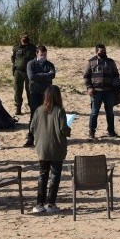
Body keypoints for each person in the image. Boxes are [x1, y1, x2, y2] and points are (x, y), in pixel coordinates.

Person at [30, 85, 71, 213]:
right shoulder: (59, 111)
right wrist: (68, 130)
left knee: (43, 175)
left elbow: (32, 128)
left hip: (42, 148)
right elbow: (63, 129)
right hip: (56, 147)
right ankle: (51, 204)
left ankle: (39, 204)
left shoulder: (39, 110)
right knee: (55, 175)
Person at [83, 43, 120, 139]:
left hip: (109, 91)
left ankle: (111, 131)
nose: (103, 52)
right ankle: (91, 131)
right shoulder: (90, 62)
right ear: (96, 52)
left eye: (104, 50)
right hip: (95, 91)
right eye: (100, 51)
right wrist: (89, 88)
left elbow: (116, 75)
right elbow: (86, 76)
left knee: (110, 112)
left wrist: (115, 88)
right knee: (94, 112)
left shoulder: (111, 62)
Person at [24, 46, 56, 147]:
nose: (43, 57)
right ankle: (31, 138)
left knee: (47, 115)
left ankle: (46, 138)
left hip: (47, 93)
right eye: (41, 55)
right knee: (34, 115)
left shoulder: (49, 64)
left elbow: (52, 75)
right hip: (34, 93)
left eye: (45, 55)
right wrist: (45, 75)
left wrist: (38, 75)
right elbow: (31, 77)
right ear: (37, 54)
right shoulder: (31, 64)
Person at [11, 33, 37, 117]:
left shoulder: (33, 48)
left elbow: (36, 58)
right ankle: (18, 107)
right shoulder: (16, 47)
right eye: (23, 37)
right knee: (18, 90)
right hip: (18, 72)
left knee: (30, 90)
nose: (24, 38)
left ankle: (32, 107)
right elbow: (13, 58)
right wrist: (18, 65)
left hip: (29, 72)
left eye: (26, 37)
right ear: (20, 38)